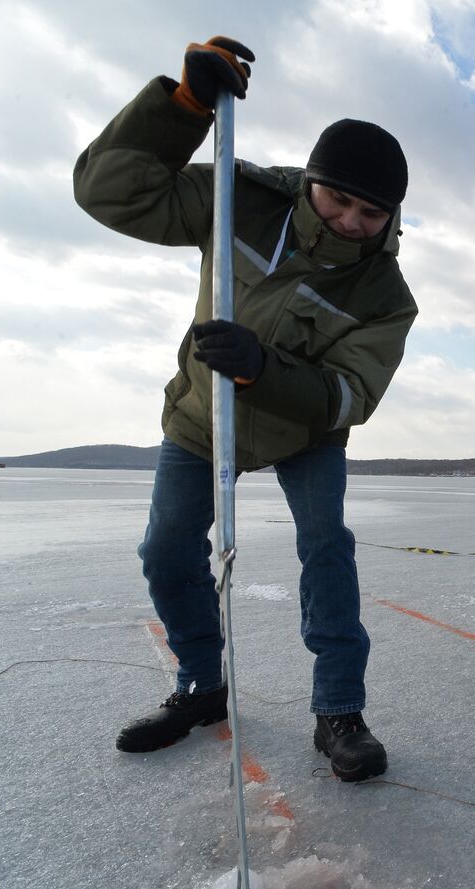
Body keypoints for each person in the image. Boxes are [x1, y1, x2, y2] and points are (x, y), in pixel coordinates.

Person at [73, 37, 417, 781]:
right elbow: (113, 193)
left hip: (307, 436)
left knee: (326, 548)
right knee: (165, 549)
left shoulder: (384, 295)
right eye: (338, 200)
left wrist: (265, 369)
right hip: (202, 418)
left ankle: (338, 711)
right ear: (311, 184)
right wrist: (184, 107)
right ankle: (200, 685)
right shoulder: (241, 200)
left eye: (371, 212)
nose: (353, 221)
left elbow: (348, 396)